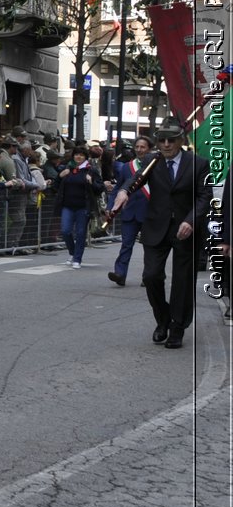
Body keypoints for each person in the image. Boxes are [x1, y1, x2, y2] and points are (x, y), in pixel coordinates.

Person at [111, 119, 209, 348]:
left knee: (182, 282)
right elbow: (134, 180)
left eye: (171, 140)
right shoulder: (151, 160)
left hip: (186, 229)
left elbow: (205, 196)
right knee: (151, 276)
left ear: (181, 141)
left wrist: (191, 221)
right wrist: (124, 192)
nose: (165, 144)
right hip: (156, 227)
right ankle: (163, 318)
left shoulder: (199, 164)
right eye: (162, 140)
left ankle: (177, 327)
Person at [106, 136, 152, 286]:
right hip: (130, 211)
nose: (139, 150)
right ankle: (120, 273)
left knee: (149, 247)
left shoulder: (156, 166)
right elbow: (119, 188)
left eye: (142, 147)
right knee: (126, 244)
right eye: (137, 147)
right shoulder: (127, 167)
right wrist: (110, 206)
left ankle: (148, 276)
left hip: (149, 212)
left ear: (149, 149)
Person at [55, 146, 104, 269]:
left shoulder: (91, 170)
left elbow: (100, 188)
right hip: (67, 205)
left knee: (81, 233)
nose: (78, 157)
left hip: (84, 206)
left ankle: (77, 258)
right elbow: (56, 186)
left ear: (85, 157)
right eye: (76, 154)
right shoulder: (67, 169)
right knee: (65, 231)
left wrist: (92, 182)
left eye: (81, 155)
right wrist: (60, 176)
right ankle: (72, 252)